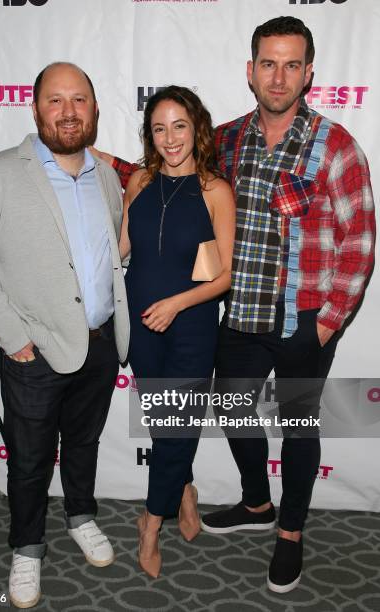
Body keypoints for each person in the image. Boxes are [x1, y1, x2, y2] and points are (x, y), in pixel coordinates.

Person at [93, 16, 375, 593]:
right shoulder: (227, 138)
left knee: (297, 427)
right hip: (242, 314)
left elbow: (360, 243)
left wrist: (325, 325)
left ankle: (290, 532)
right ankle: (255, 502)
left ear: (309, 73)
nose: (279, 76)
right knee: (232, 408)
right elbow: (167, 168)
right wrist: (96, 158)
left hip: (304, 319)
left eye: (291, 64)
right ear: (250, 71)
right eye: (268, 63)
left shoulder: (335, 146)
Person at [0, 62, 129, 609]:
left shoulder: (107, 175)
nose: (68, 111)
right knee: (27, 458)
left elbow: (107, 256)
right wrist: (12, 335)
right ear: (35, 109)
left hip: (98, 342)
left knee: (83, 443)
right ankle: (26, 547)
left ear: (94, 110)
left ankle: (81, 515)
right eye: (56, 100)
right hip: (34, 350)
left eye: (79, 100)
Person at [120, 85, 235, 578]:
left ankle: (151, 524)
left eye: (179, 126)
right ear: (150, 133)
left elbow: (224, 274)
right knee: (165, 426)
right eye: (159, 128)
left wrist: (177, 304)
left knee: (177, 427)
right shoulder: (140, 181)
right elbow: (121, 248)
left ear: (197, 128)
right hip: (143, 325)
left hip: (190, 327)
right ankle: (185, 490)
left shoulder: (215, 190)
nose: (170, 139)